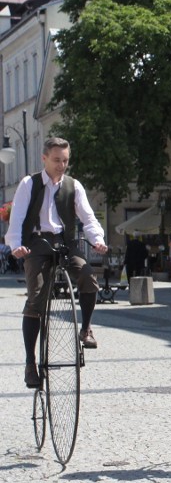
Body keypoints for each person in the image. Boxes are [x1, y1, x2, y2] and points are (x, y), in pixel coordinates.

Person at [4, 137, 109, 389]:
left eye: (65, 161)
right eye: (56, 160)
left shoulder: (74, 186)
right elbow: (17, 218)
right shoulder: (29, 184)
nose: (61, 165)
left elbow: (88, 218)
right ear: (44, 159)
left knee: (87, 275)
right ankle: (30, 364)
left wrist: (97, 240)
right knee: (36, 297)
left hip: (65, 242)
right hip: (36, 243)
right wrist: (15, 245)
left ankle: (86, 329)